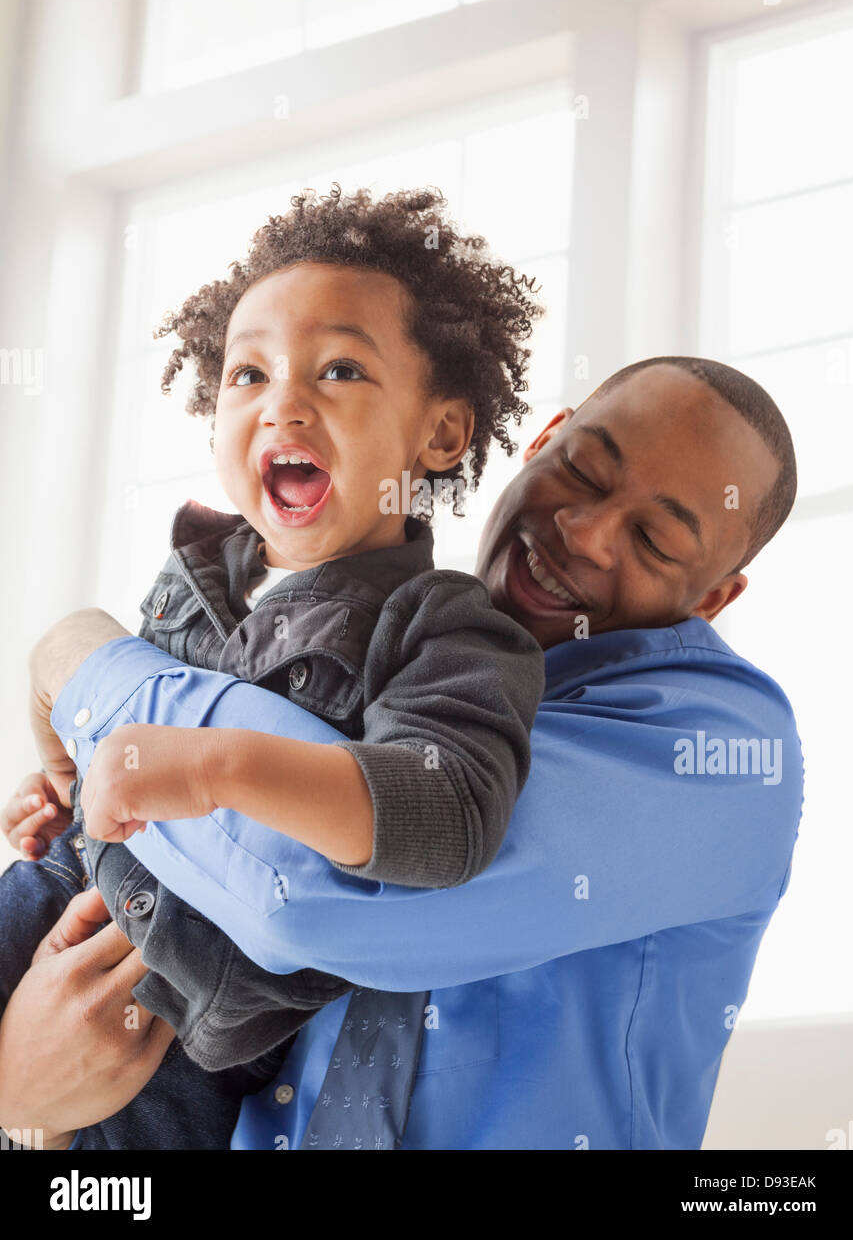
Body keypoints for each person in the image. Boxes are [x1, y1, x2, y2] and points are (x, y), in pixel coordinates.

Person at [0, 357, 805, 1150]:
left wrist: (80, 661)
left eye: (656, 539)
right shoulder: (408, 646)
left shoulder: (725, 750)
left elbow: (312, 887)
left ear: (711, 598)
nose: (585, 535)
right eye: (585, 471)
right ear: (544, 439)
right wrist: (37, 1111)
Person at [0, 183, 549, 1137]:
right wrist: (63, 784)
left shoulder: (447, 624)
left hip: (182, 1013)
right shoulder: (196, 571)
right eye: (247, 375)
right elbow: (105, 744)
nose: (282, 402)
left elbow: (449, 811)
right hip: (55, 891)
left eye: (339, 370)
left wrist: (217, 766)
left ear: (442, 432)